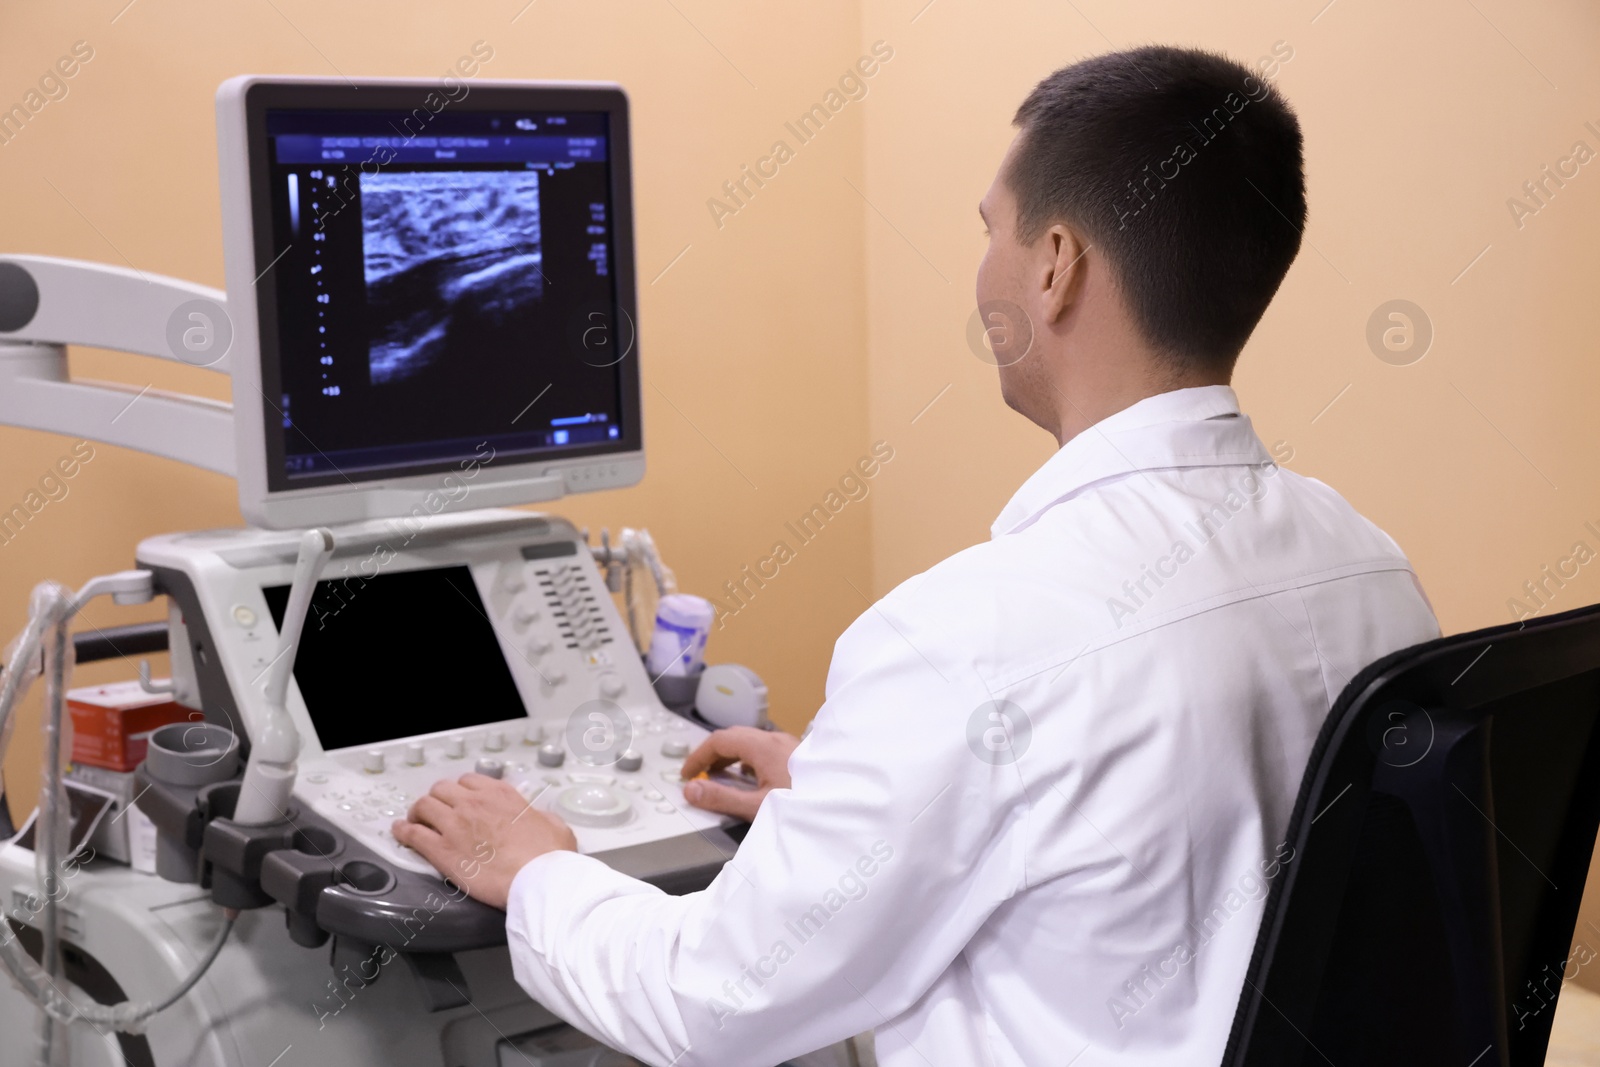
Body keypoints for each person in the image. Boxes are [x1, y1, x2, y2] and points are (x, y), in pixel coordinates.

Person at [394, 45, 1440, 1066]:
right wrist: (867, 797)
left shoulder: (966, 638)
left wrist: (535, 867)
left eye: (991, 229)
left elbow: (709, 1006)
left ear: (1055, 266)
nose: (981, 263)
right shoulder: (1373, 568)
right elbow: (1168, 830)